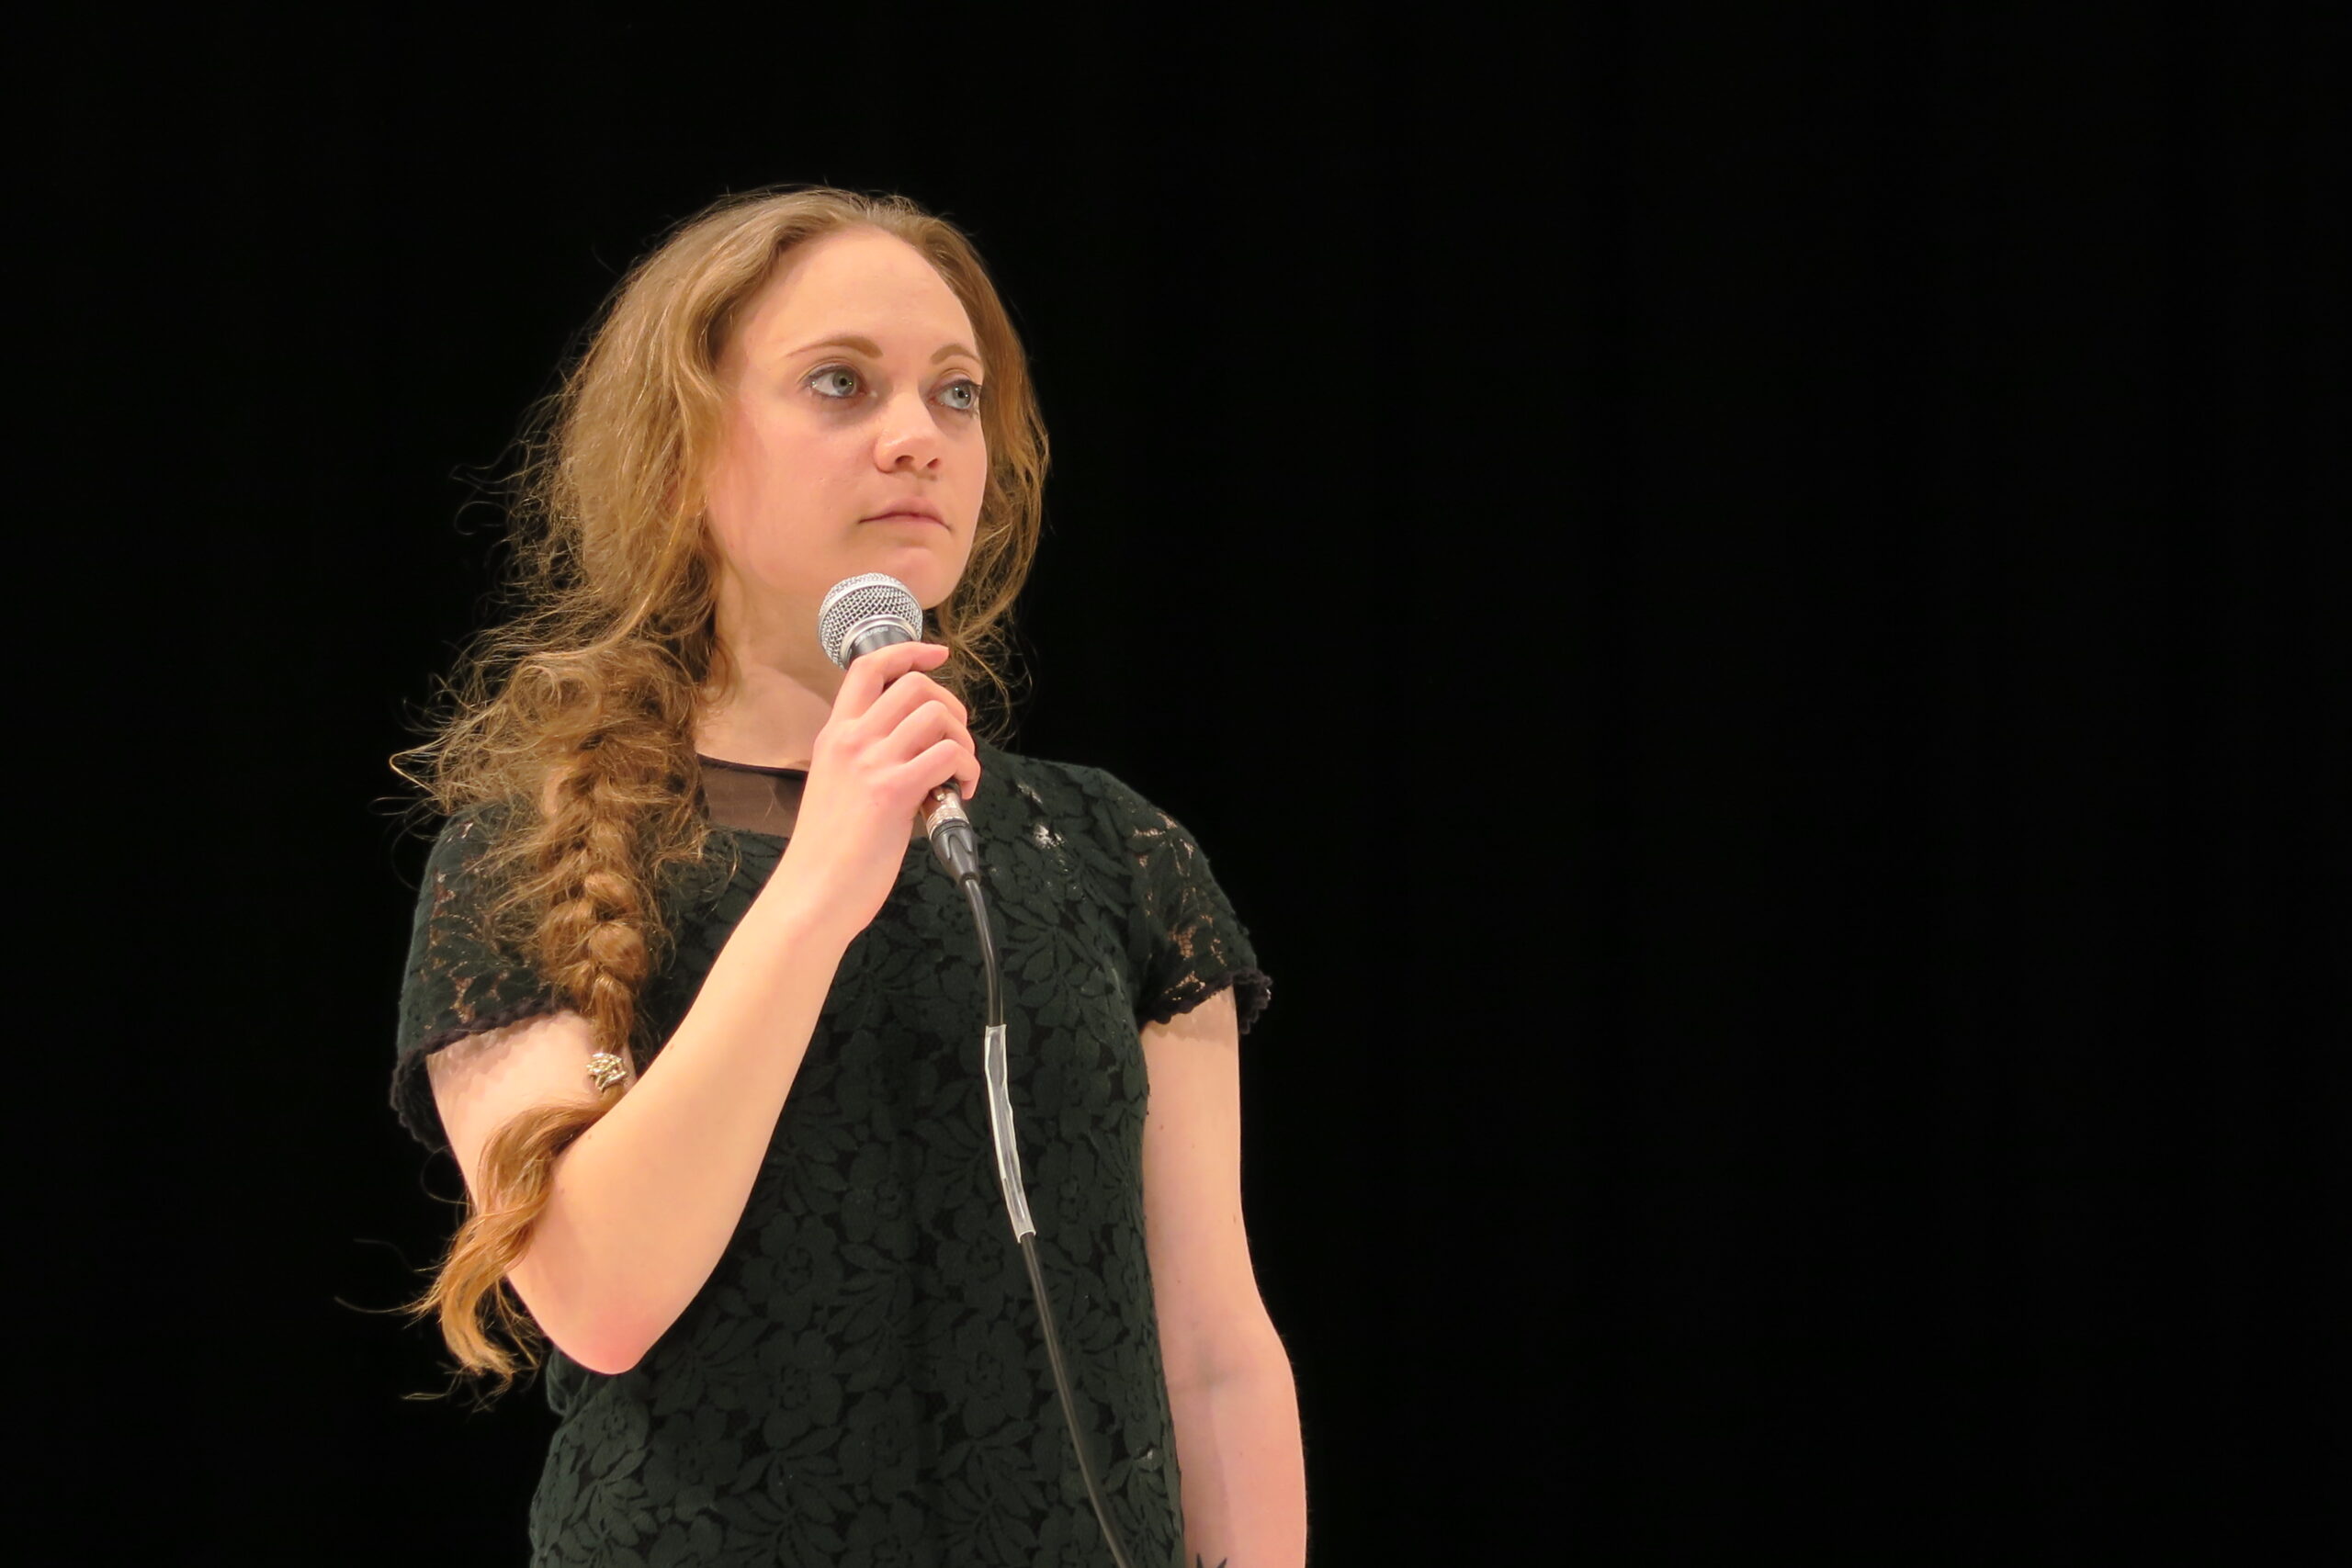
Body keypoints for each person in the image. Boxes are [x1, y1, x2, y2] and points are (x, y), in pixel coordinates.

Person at [388, 187, 1306, 1567]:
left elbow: (1213, 1349)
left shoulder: (1114, 851)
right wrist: (819, 884)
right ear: (680, 446)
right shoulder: (539, 842)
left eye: (956, 394)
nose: (917, 440)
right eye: (840, 383)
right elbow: (600, 1295)